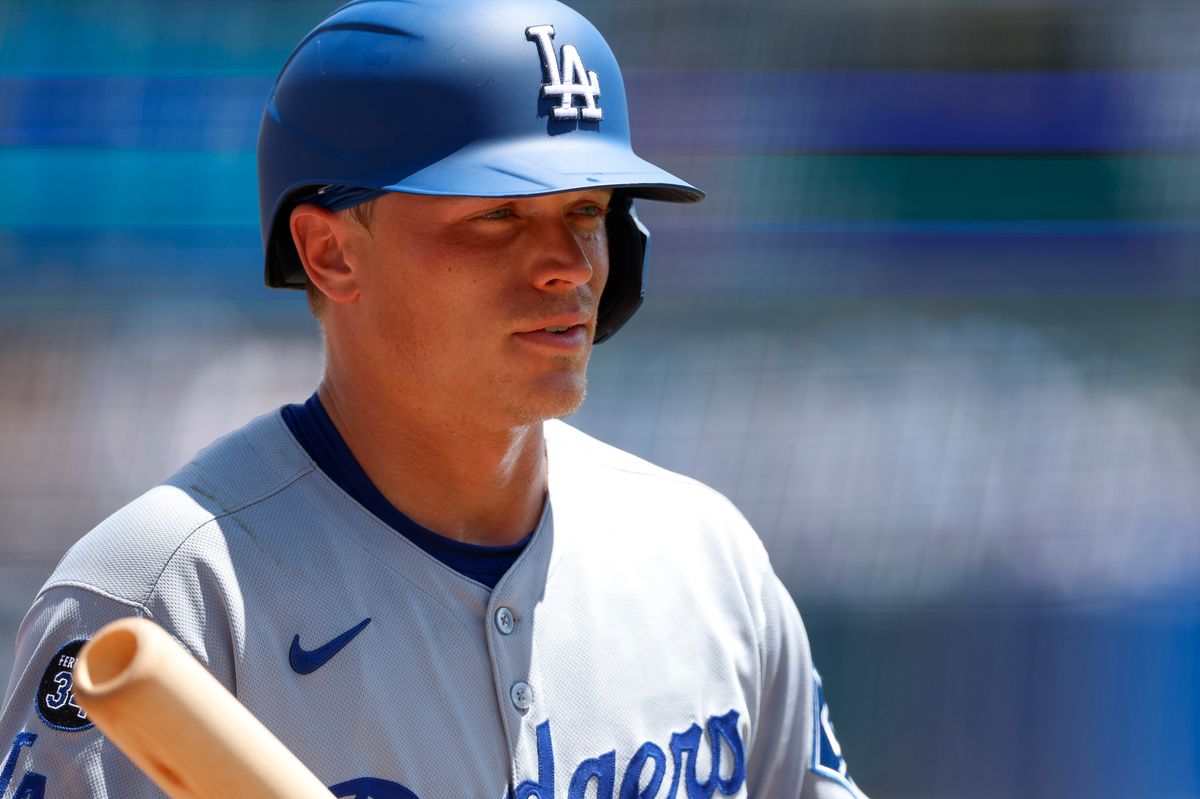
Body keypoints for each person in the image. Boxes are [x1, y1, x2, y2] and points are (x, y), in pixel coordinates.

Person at [0, 0, 868, 796]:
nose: (569, 262)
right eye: (498, 214)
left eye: (589, 210)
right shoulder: (166, 595)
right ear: (331, 253)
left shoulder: (708, 562)